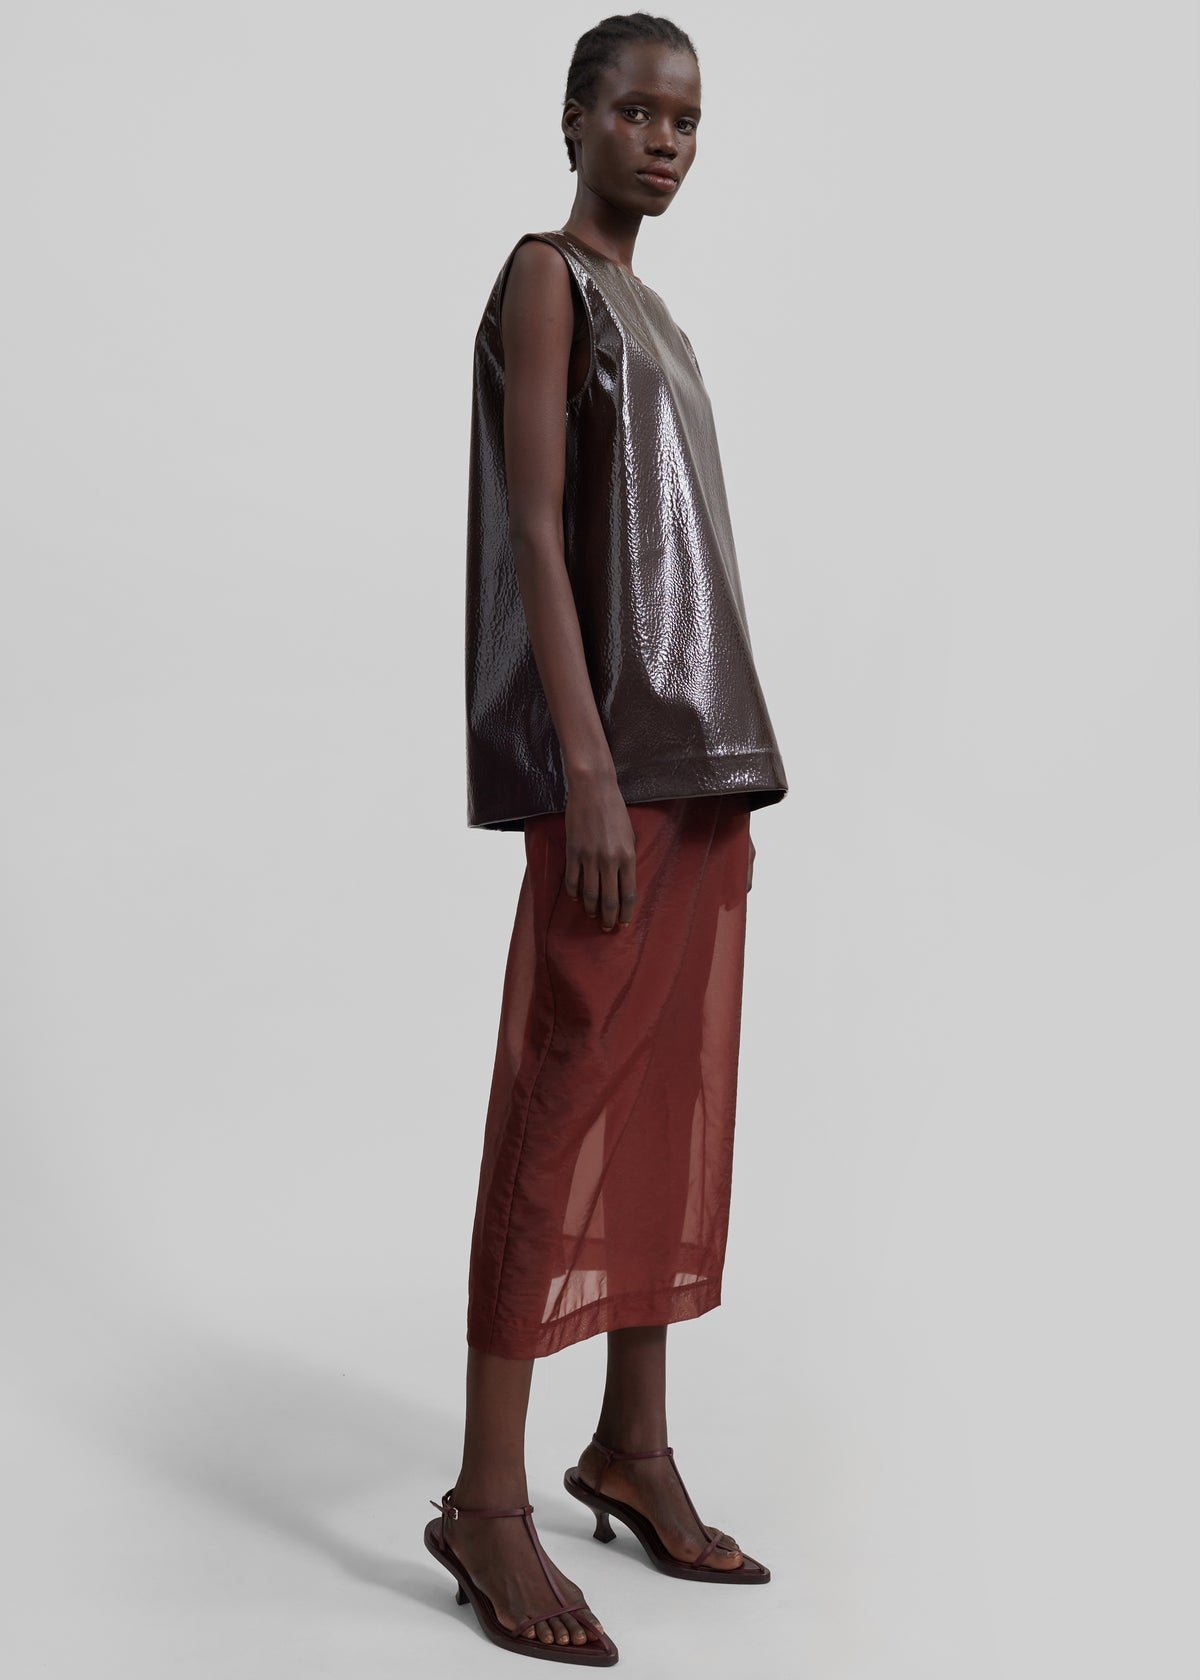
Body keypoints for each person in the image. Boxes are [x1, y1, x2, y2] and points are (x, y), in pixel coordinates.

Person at [424, 14, 788, 1665]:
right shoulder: (546, 279)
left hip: (705, 764)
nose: (664, 141)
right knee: (560, 1092)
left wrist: (705, 766)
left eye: (686, 120)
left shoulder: (664, 317)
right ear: (573, 118)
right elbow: (535, 526)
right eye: (636, 111)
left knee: (667, 1098)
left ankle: (631, 1446)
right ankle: (484, 1501)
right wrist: (580, 767)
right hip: (615, 773)